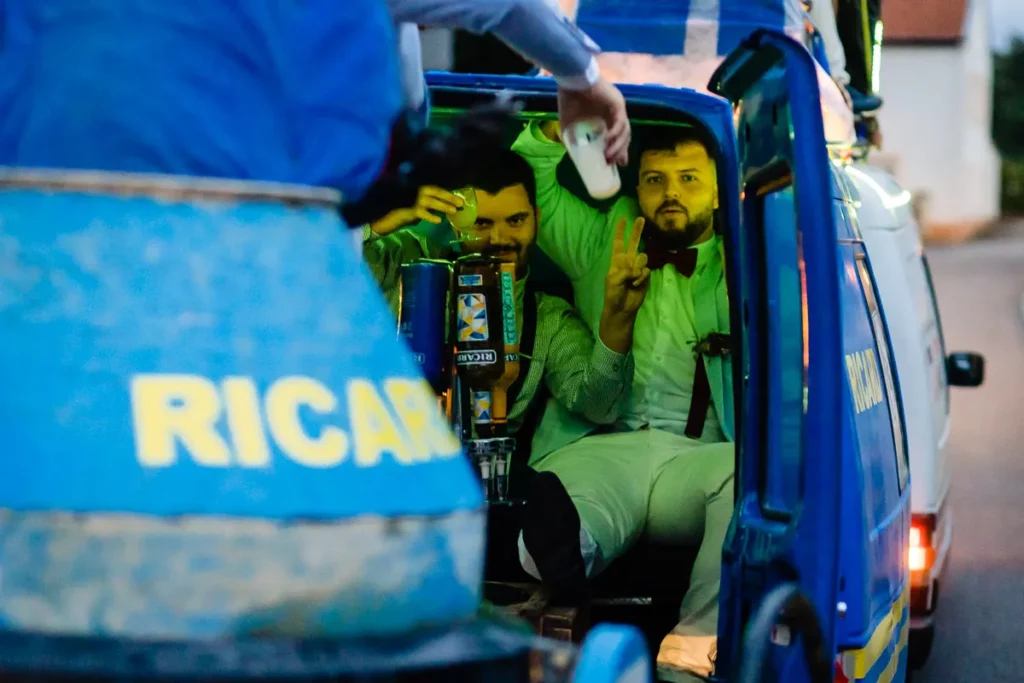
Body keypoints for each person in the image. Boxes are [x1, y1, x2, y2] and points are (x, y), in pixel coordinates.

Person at [511, 119, 735, 683]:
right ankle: (560, 555)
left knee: (742, 475)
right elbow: (532, 178)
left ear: (717, 188)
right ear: (637, 185)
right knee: (568, 520)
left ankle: (689, 655)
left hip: (693, 457)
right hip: (598, 443)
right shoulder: (605, 236)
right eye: (655, 179)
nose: (672, 193)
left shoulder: (742, 264)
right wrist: (556, 120)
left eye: (688, 178)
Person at [362, 147, 649, 443]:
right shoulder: (408, 261)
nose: (499, 239)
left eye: (515, 221)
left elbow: (599, 408)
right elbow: (318, 272)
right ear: (455, 221)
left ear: (536, 218)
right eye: (482, 223)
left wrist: (618, 319)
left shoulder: (546, 318)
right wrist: (375, 225)